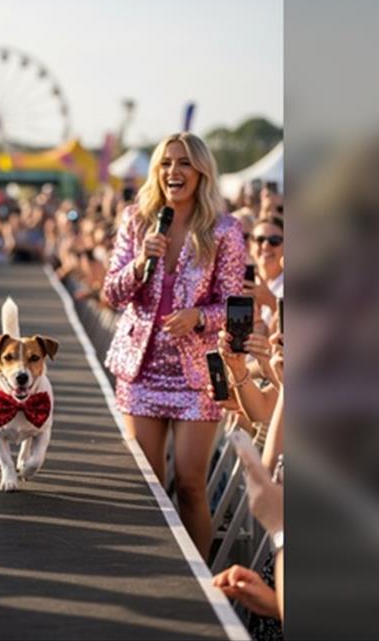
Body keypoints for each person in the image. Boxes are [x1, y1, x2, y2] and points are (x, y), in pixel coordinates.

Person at [102, 132, 247, 558]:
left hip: (197, 376)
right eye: (166, 163)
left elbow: (235, 306)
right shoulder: (136, 220)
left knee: (189, 483)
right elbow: (111, 294)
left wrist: (199, 317)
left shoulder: (225, 231)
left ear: (201, 171)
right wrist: (139, 263)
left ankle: (200, 584)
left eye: (183, 163)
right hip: (141, 371)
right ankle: (154, 574)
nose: (173, 172)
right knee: (146, 487)